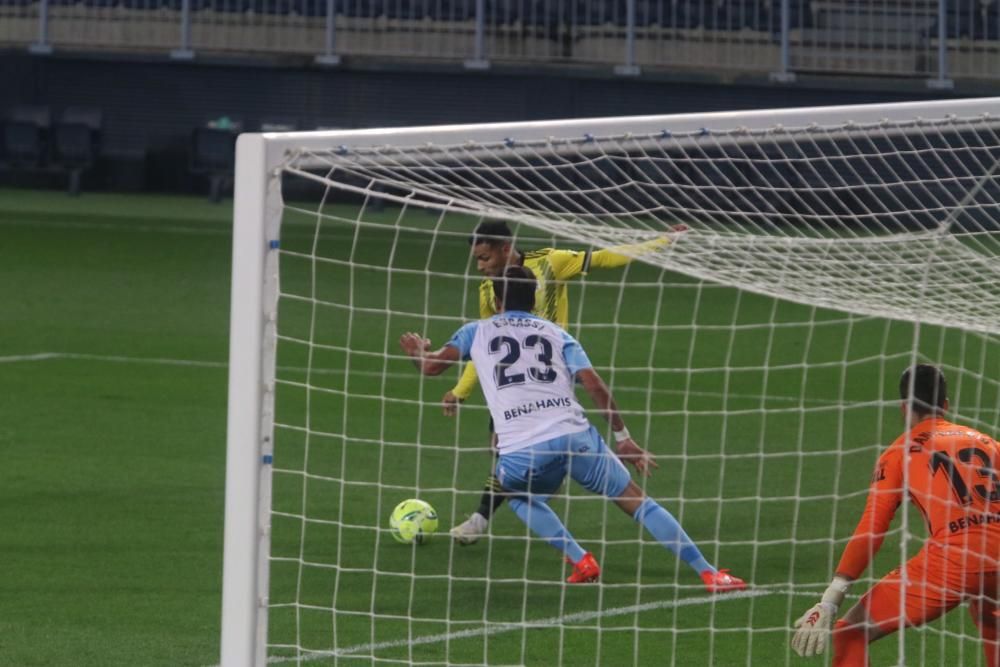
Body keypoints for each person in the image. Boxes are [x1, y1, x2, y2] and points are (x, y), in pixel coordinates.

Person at [399, 266, 745, 592]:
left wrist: (417, 351)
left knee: (516, 495)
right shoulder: (556, 333)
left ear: (496, 301)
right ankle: (709, 573)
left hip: (523, 448)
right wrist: (623, 438)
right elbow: (595, 386)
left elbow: (431, 368)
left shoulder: (477, 330)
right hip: (574, 434)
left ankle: (582, 559)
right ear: (534, 299)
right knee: (634, 499)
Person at [446, 219, 684, 545]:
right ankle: (524, 492)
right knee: (500, 451)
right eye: (476, 259)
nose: (480, 266)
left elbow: (604, 258)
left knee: (509, 455)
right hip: (511, 384)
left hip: (549, 377)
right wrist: (461, 390)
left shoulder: (550, 262)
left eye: (484, 258)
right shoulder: (489, 290)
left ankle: (481, 518)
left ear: (505, 249)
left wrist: (661, 242)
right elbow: (484, 344)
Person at [791, 364, 1000, 666]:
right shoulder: (989, 443)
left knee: (851, 633)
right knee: (990, 619)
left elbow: (872, 527)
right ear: (945, 405)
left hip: (954, 562)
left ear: (903, 408)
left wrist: (831, 598)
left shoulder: (900, 451)